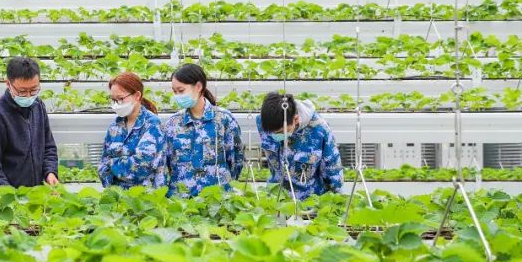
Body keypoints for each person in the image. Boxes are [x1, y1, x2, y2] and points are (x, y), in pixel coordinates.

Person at [162, 64, 244, 197]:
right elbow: (167, 163)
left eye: (181, 90)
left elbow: (236, 160)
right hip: (181, 200)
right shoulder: (172, 124)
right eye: (174, 91)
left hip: (217, 199)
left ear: (199, 87)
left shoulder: (224, 120)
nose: (177, 96)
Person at [0, 56, 59, 188]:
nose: (29, 96)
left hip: (38, 194)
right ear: (8, 84)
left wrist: (50, 172)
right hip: (11, 199)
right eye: (22, 91)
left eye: (34, 90)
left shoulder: (38, 105)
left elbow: (49, 147)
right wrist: (10, 196)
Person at [255, 91, 344, 200]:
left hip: (309, 202)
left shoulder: (319, 130)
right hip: (276, 197)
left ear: (296, 119)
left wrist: (337, 201)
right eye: (272, 133)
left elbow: (332, 170)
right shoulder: (264, 121)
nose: (275, 136)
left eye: (280, 132)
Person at [98, 71, 166, 190]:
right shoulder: (115, 125)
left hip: (145, 199)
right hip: (118, 197)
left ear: (137, 95)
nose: (116, 104)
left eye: (120, 99)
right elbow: (102, 165)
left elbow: (142, 166)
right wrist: (114, 167)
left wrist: (112, 164)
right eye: (113, 100)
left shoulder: (152, 124)